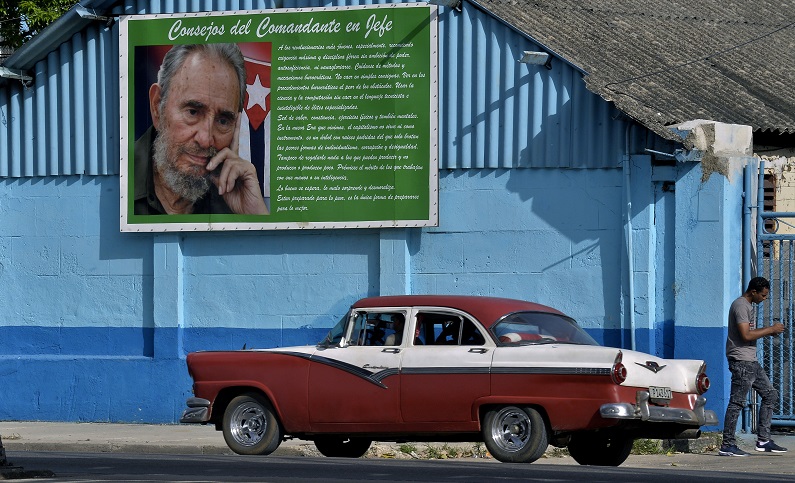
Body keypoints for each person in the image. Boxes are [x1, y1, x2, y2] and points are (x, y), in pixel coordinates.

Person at [134, 43, 268, 216]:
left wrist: (254, 216)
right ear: (157, 106)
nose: (205, 140)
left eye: (222, 120)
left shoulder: (234, 199)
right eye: (193, 112)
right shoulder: (120, 183)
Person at [719, 277, 787, 456]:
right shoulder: (741, 306)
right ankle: (727, 445)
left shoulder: (748, 306)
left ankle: (763, 440)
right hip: (741, 361)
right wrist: (770, 330)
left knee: (770, 394)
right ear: (753, 291)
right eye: (763, 295)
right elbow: (745, 335)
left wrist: (766, 332)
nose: (764, 299)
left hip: (751, 361)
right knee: (737, 402)